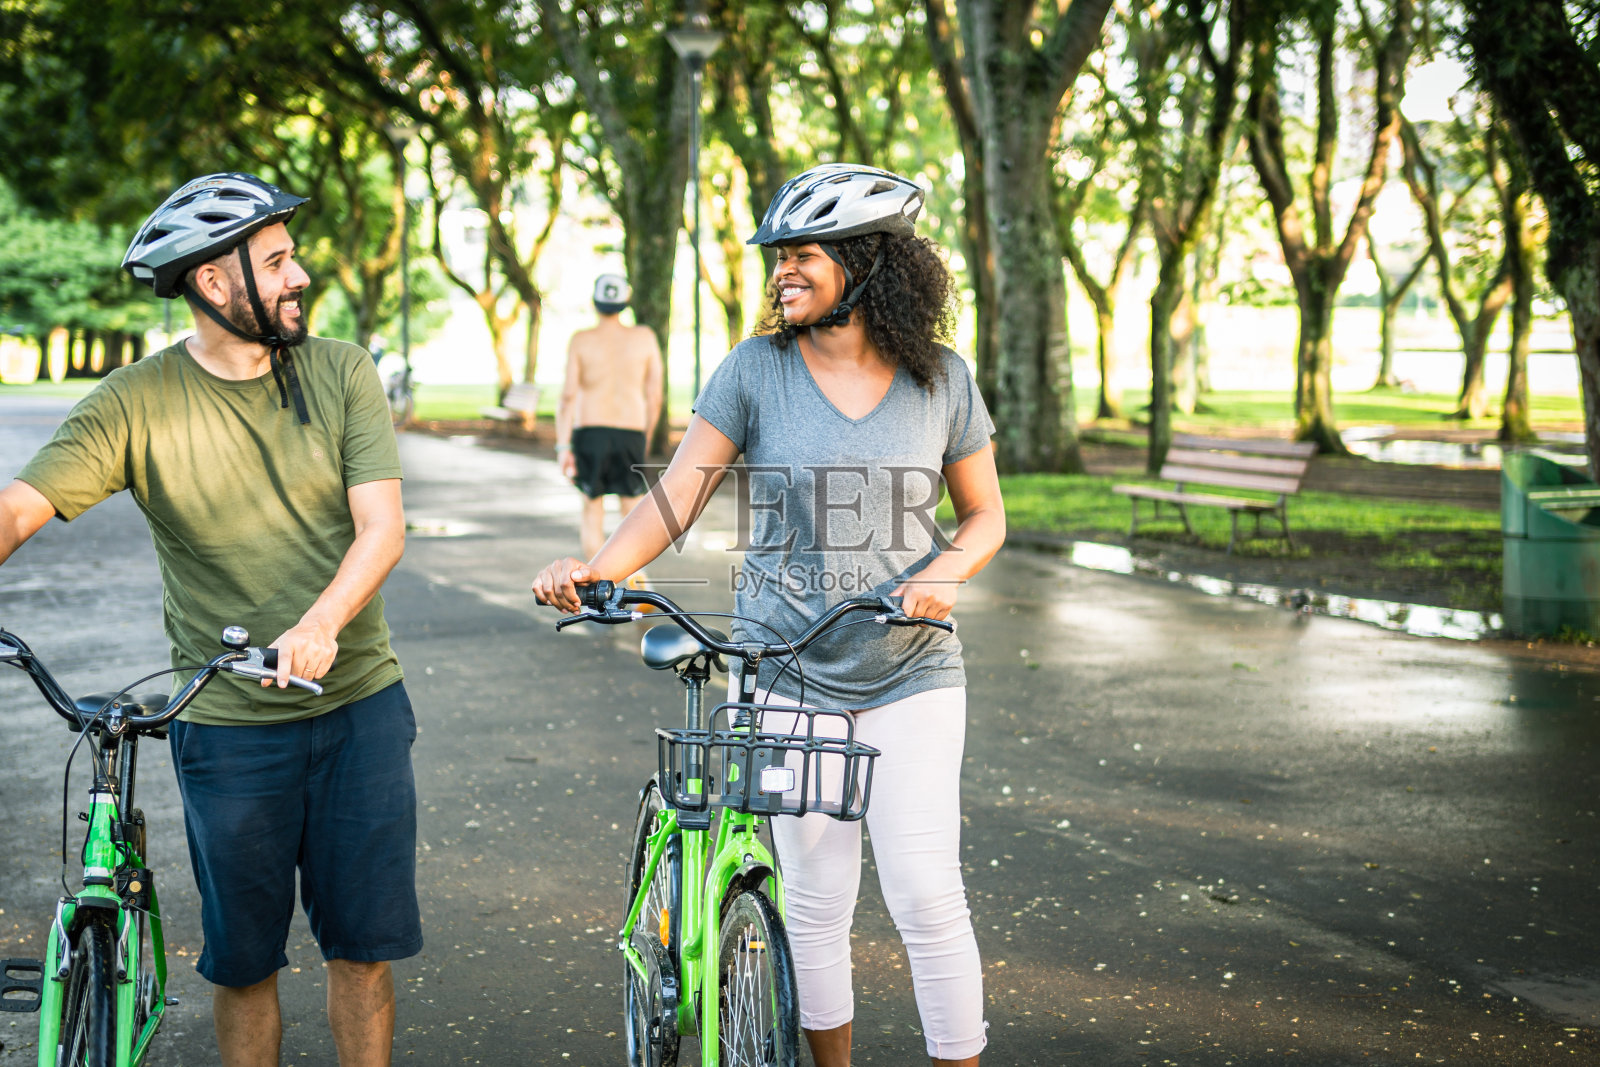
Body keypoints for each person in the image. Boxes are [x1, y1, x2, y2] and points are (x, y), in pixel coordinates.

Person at [533, 163, 1005, 1066]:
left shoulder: (942, 378)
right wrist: (594, 572)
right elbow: (674, 498)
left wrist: (947, 568)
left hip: (912, 668)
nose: (782, 271)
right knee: (817, 899)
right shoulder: (756, 371)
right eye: (776, 257)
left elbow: (987, 513)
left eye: (803, 254)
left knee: (926, 890)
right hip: (784, 668)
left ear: (868, 263)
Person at [0, 172, 419, 1067]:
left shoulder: (342, 369)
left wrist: (321, 622)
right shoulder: (134, 402)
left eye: (292, 254)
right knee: (243, 966)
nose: (299, 273)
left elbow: (382, 528)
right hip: (229, 731)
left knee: (362, 954)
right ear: (214, 283)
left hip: (357, 711)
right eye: (275, 262)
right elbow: (19, 508)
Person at [555, 272, 663, 562]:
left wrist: (563, 446)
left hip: (590, 433)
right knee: (633, 514)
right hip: (631, 432)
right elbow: (655, 396)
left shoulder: (581, 340)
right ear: (625, 303)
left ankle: (596, 585)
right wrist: (646, 437)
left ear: (595, 302)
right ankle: (636, 582)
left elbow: (567, 397)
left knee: (592, 510)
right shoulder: (645, 338)